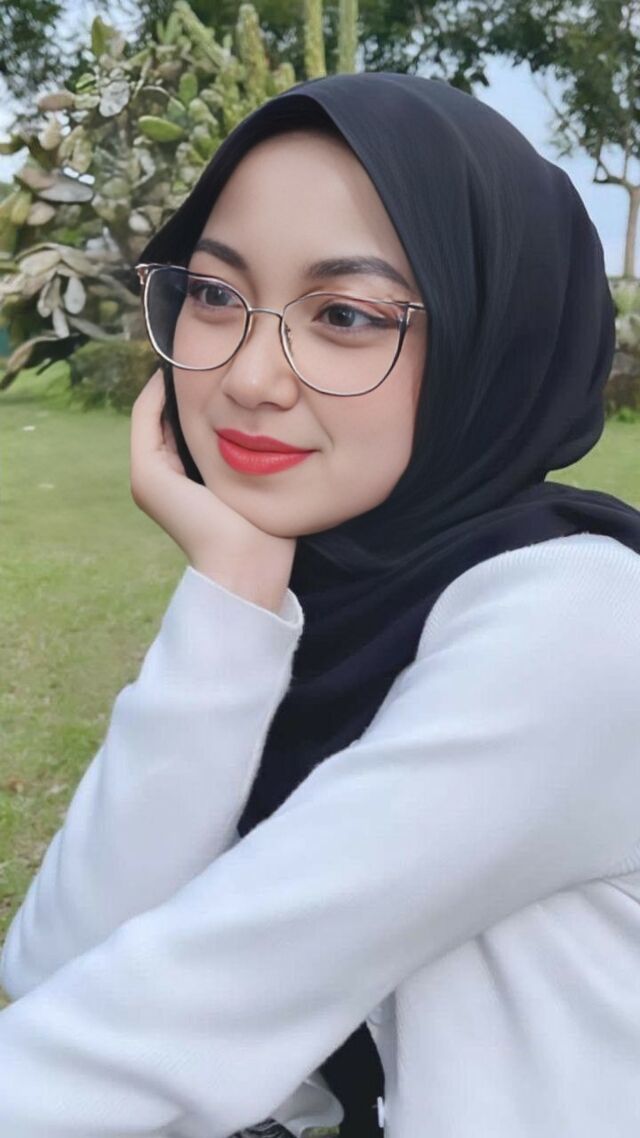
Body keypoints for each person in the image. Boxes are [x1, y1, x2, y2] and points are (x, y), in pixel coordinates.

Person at [1, 69, 640, 1138]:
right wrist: (232, 587)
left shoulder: (580, 627)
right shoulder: (328, 591)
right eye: (215, 295)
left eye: (345, 315)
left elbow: (175, 1015)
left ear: (495, 336)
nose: (251, 376)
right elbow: (68, 965)